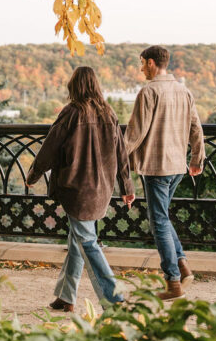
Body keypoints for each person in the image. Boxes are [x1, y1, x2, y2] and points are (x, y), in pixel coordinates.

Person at [26, 66, 135, 312]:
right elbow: (121, 153)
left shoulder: (72, 112)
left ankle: (115, 298)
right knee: (78, 239)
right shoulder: (109, 113)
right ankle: (66, 296)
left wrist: (33, 174)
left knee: (86, 241)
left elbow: (50, 147)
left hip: (77, 187)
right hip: (102, 187)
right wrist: (126, 186)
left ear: (73, 86)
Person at [125, 45, 205, 301]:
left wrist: (116, 159)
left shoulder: (149, 92)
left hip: (156, 166)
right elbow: (196, 127)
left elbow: (134, 135)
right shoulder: (184, 91)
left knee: (158, 220)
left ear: (150, 63)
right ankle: (182, 267)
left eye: (141, 63)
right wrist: (196, 158)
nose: (141, 68)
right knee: (162, 216)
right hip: (177, 166)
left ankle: (172, 282)